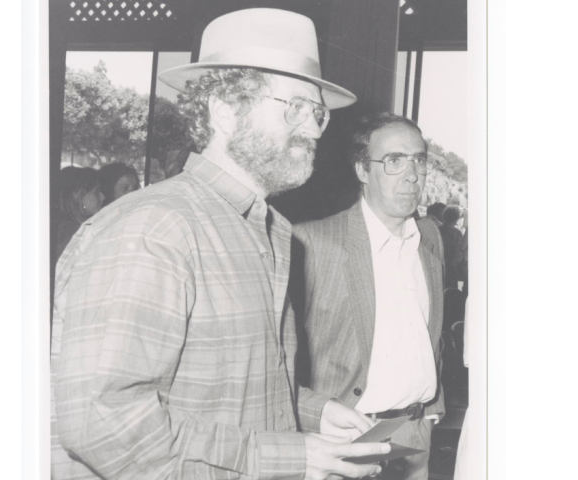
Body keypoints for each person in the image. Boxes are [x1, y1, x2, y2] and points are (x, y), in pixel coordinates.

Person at [51, 9, 390, 480]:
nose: (313, 129)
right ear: (224, 109)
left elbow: (231, 385)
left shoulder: (272, 231)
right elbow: (105, 424)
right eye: (293, 106)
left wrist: (312, 412)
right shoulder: (154, 228)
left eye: (318, 113)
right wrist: (293, 457)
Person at [290, 113, 445, 480]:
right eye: (394, 161)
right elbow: (279, 363)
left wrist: (433, 410)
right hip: (346, 440)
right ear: (363, 170)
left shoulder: (430, 239)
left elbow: (431, 336)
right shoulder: (312, 243)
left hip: (416, 435)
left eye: (419, 160)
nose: (411, 175)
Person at [53, 166, 104, 261]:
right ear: (78, 195)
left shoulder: (62, 227)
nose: (102, 197)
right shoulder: (74, 233)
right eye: (97, 192)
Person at [439, 206, 464, 290]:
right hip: (451, 268)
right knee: (450, 293)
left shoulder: (437, 229)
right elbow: (459, 252)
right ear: (456, 218)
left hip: (438, 266)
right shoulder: (457, 233)